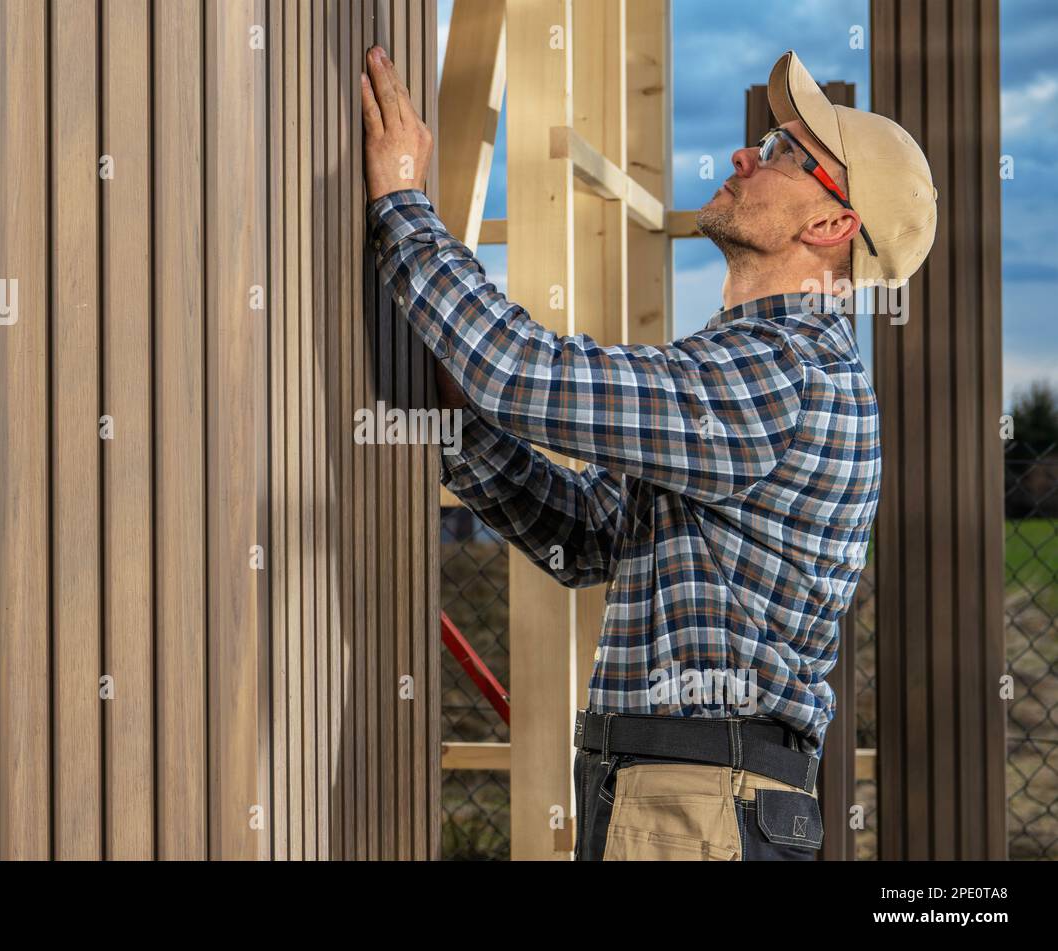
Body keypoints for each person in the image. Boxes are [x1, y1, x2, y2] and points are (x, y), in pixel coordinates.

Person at [359, 45, 936, 860]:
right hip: (679, 794)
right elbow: (591, 532)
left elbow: (525, 373)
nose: (746, 153)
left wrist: (403, 204)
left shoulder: (781, 373)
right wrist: (465, 424)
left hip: (696, 803)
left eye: (782, 153)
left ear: (832, 224)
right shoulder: (749, 367)